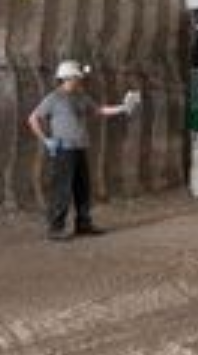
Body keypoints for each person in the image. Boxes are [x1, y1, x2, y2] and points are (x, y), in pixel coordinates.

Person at [28, 60, 140, 241]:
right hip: (63, 150)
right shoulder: (54, 98)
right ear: (67, 78)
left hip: (79, 148)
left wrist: (123, 108)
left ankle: (83, 224)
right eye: (77, 77)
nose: (80, 80)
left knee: (82, 188)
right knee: (62, 189)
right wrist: (46, 140)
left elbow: (100, 111)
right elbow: (33, 118)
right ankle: (55, 228)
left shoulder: (81, 97)